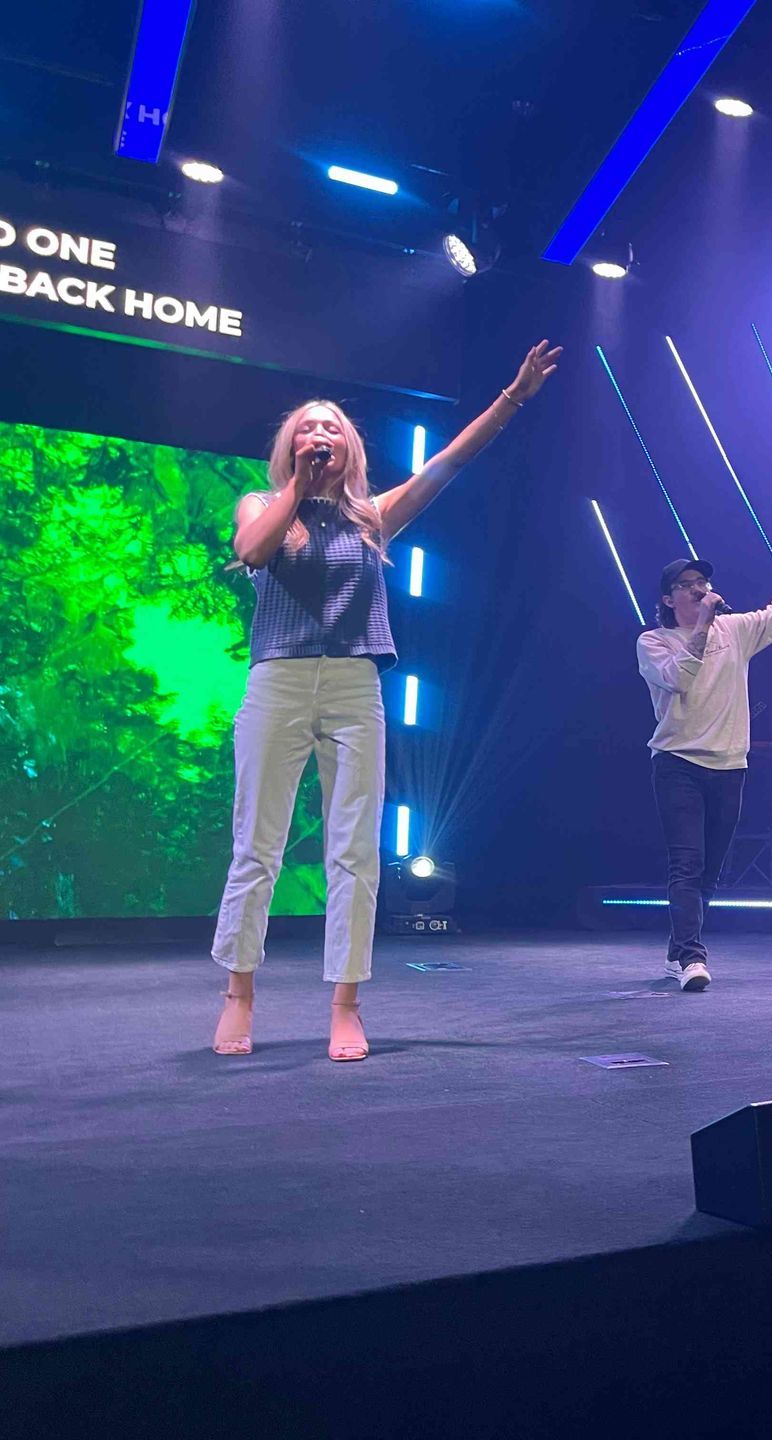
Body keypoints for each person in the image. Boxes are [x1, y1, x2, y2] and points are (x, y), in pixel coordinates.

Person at [212, 341, 563, 1061]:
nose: (320, 435)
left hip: (353, 685)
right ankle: (238, 995)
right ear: (292, 446)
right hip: (276, 680)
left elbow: (449, 465)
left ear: (349, 449)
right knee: (258, 849)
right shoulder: (262, 502)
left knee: (355, 853)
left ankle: (346, 1003)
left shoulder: (373, 517)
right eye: (309, 429)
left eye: (332, 428)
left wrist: (513, 397)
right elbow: (252, 552)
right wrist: (295, 490)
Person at [637, 524, 772, 990]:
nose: (699, 587)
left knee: (711, 870)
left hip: (729, 765)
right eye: (687, 584)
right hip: (678, 762)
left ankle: (678, 950)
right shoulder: (653, 643)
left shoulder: (735, 630)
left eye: (702, 581)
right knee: (687, 863)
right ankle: (693, 959)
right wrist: (701, 626)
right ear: (668, 599)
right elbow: (679, 681)